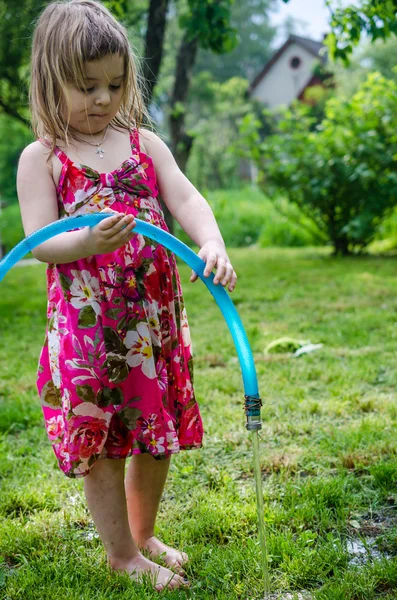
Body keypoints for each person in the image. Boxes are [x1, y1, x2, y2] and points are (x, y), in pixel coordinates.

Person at [17, 0, 237, 593]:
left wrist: (211, 243)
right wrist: (84, 237)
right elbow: (39, 242)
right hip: (90, 330)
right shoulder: (42, 159)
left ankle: (143, 535)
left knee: (153, 435)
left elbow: (187, 200)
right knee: (105, 443)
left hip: (149, 324)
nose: (102, 99)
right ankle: (120, 555)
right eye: (86, 86)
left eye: (114, 84)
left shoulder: (143, 143)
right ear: (49, 80)